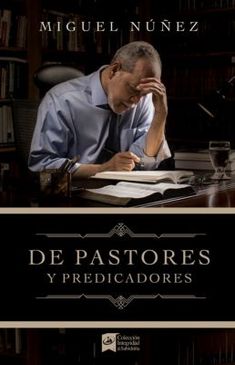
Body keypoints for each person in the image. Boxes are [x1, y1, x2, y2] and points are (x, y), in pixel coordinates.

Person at [28, 41, 171, 178]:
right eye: (132, 89)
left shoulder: (142, 99)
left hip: (124, 192)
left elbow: (145, 163)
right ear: (114, 70)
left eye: (144, 94)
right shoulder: (61, 100)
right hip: (74, 194)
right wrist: (104, 169)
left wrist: (161, 113)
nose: (136, 101)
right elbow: (42, 165)